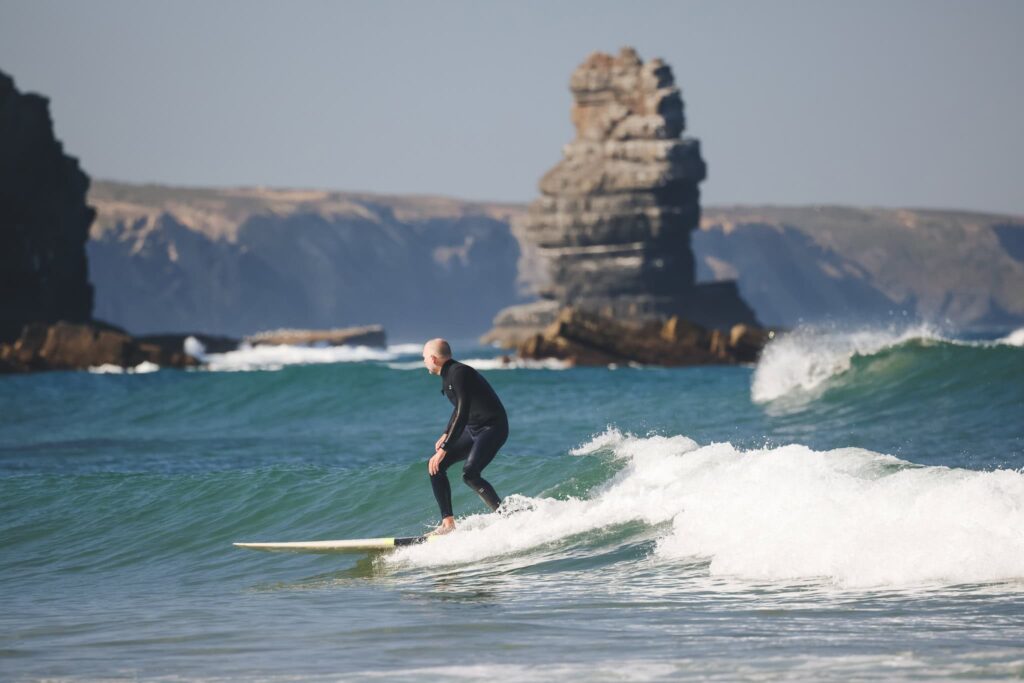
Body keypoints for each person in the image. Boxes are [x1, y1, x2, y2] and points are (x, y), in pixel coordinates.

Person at [421, 338, 508, 535]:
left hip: (492, 427)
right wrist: (445, 433)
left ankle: (504, 516)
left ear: (433, 359)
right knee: (435, 467)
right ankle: (448, 523)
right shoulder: (449, 375)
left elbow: (462, 410)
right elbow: (459, 409)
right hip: (474, 428)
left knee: (470, 473)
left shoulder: (459, 373)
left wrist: (444, 449)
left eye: (424, 358)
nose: (424, 361)